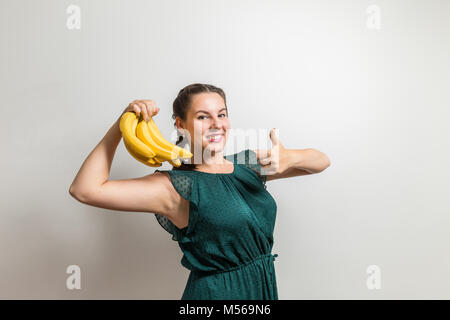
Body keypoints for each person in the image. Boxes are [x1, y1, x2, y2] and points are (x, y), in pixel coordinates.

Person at [69, 83, 331, 299]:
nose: (216, 124)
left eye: (222, 113)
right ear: (181, 125)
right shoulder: (175, 187)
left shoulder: (246, 165)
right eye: (203, 117)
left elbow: (321, 162)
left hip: (261, 291)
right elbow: (85, 190)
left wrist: (289, 157)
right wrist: (121, 124)